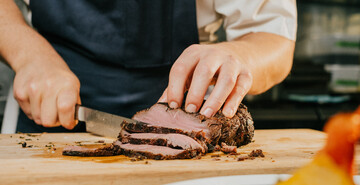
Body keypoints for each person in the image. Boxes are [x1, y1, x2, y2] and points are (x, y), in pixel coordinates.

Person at [0, 0, 297, 133]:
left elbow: (275, 38)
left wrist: (240, 56)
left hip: (185, 122)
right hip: (43, 109)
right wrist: (29, 55)